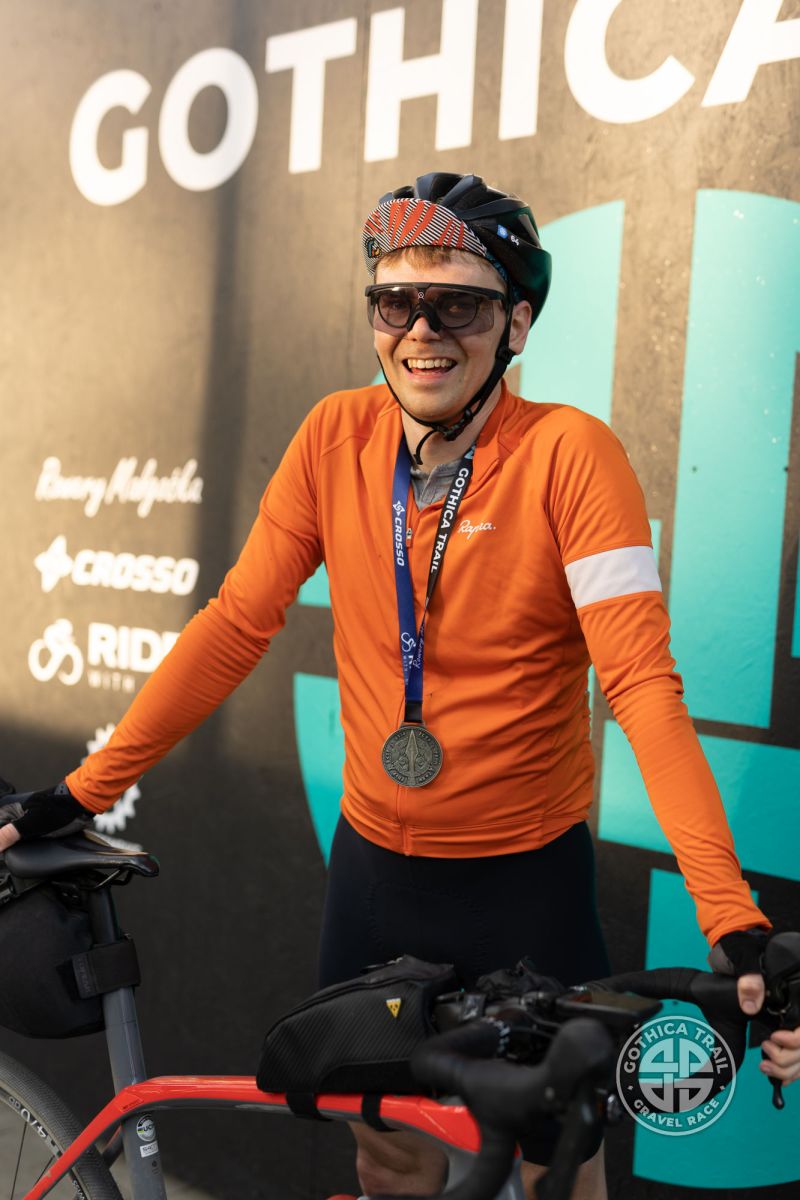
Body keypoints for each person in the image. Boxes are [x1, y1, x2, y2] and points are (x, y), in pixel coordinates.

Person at [1, 172, 799, 1200]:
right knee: (387, 1157)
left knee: (561, 1167)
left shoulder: (571, 455)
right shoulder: (333, 436)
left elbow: (639, 682)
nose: (422, 330)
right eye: (395, 302)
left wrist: (731, 921)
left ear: (516, 322)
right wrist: (85, 790)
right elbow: (237, 625)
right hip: (375, 882)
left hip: (527, 887)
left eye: (456, 304)